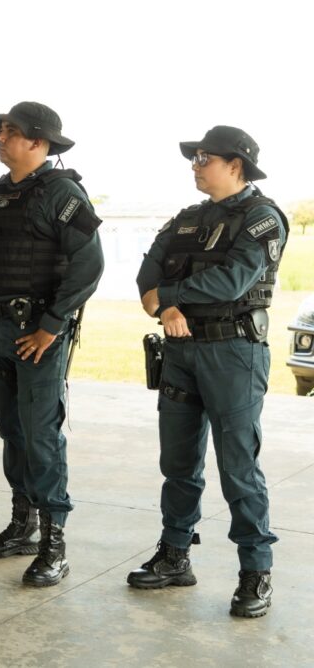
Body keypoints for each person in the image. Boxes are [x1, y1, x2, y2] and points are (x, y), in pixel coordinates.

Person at [130, 126, 288, 618]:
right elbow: (147, 276)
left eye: (204, 158)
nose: (195, 165)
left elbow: (233, 279)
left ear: (235, 165)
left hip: (233, 354)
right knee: (178, 463)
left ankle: (255, 572)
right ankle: (175, 555)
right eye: (194, 157)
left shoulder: (262, 218)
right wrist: (164, 312)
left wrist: (170, 297)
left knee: (238, 467)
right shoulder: (186, 219)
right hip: (180, 351)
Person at [0, 101, 103, 586]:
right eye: (0, 131)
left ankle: (53, 543)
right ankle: (22, 526)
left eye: (11, 132)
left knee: (41, 435)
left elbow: (89, 264)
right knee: (12, 431)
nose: (0, 138)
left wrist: (53, 323)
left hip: (36, 336)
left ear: (38, 143)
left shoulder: (61, 193)